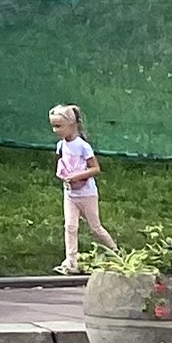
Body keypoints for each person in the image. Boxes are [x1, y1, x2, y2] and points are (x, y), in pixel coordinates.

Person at [50, 105, 118, 273]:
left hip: (87, 194)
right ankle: (70, 262)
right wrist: (64, 175)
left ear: (72, 125)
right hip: (70, 193)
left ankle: (115, 252)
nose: (55, 130)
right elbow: (64, 164)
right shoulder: (61, 145)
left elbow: (95, 169)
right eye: (53, 126)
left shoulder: (82, 146)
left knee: (95, 227)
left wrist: (77, 176)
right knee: (70, 227)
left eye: (59, 126)